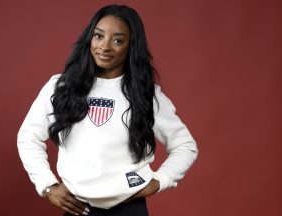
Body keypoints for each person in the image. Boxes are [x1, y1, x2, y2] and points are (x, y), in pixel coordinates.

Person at [17, 4, 198, 216]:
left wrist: (160, 181)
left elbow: (185, 146)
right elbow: (28, 137)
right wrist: (47, 186)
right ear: (89, 38)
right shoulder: (62, 86)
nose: (104, 46)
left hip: (129, 209)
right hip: (79, 208)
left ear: (131, 46)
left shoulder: (145, 94)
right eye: (98, 36)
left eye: (118, 40)